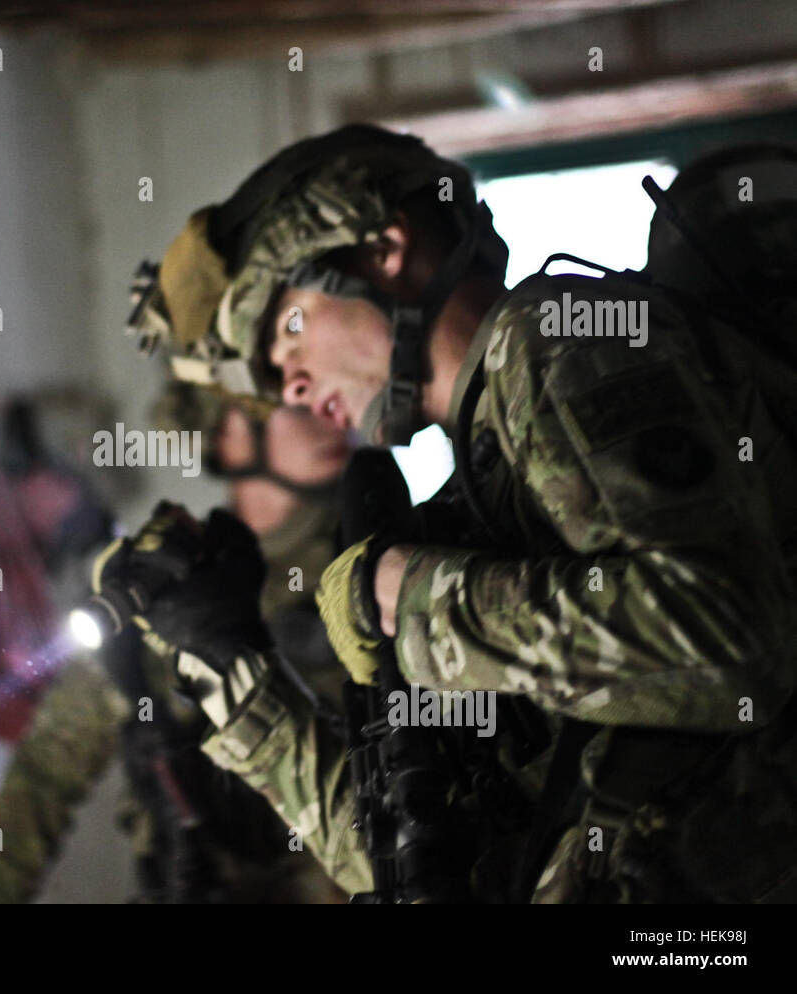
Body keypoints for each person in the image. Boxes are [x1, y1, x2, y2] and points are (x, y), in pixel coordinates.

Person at [112, 123, 797, 902]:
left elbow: (728, 639)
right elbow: (419, 860)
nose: (289, 388)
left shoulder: (551, 339)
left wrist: (412, 601)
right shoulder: (468, 500)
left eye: (284, 334)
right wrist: (233, 670)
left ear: (383, 249)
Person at [0, 391, 354, 903]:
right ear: (228, 433)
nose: (333, 416)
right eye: (292, 404)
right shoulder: (167, 582)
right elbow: (43, 778)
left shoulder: (376, 574)